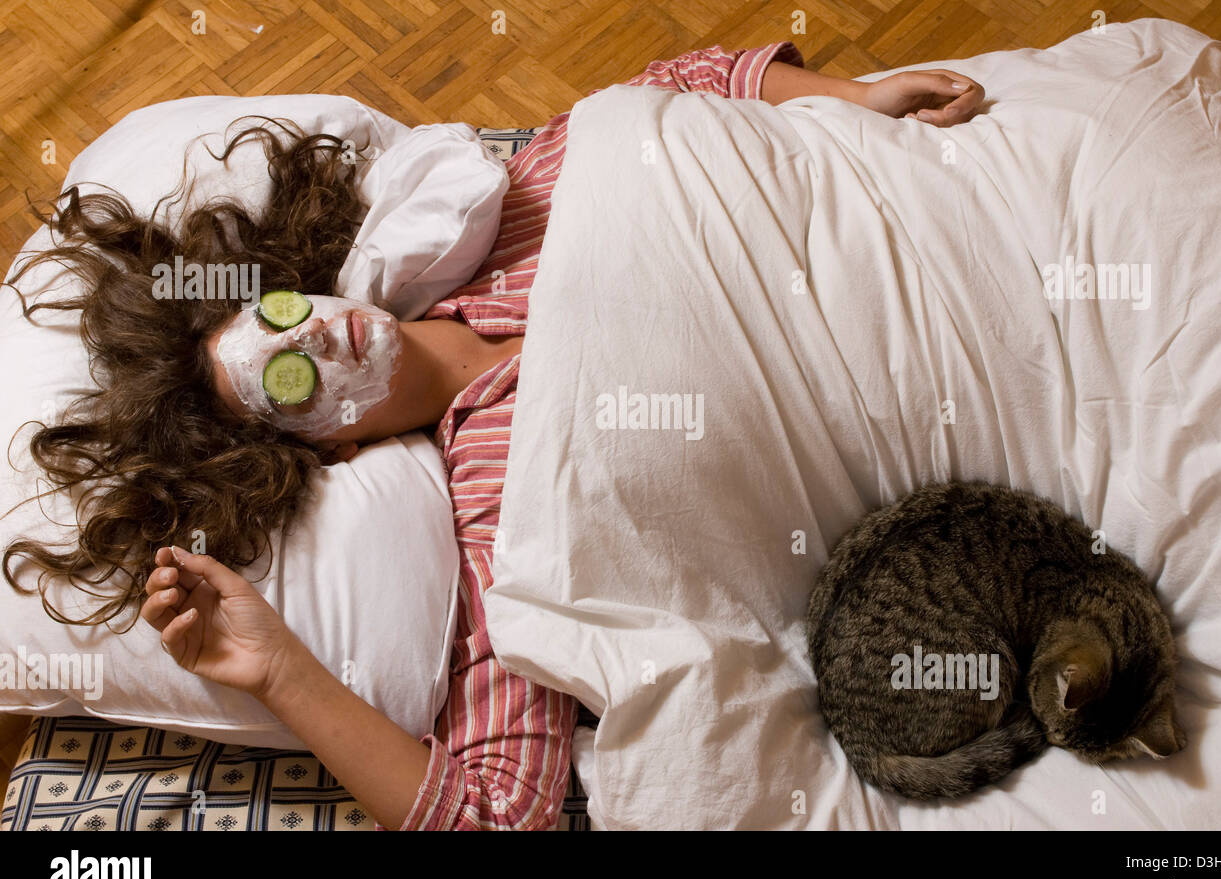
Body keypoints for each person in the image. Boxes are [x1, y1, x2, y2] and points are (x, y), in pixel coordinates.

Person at [5, 40, 983, 829]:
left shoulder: (506, 209)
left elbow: (672, 90)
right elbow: (493, 809)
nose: (312, 334)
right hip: (915, 395)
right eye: (289, 376)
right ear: (326, 448)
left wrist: (850, 93)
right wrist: (279, 668)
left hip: (893, 220)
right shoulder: (490, 520)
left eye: (281, 314)